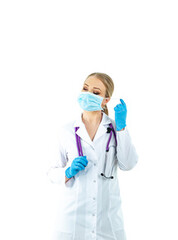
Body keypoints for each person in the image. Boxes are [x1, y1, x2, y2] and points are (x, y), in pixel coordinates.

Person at [48, 72, 139, 239]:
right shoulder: (66, 131)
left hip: (107, 220)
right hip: (73, 220)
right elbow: (52, 172)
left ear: (106, 100)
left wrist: (122, 128)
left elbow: (128, 164)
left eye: (95, 92)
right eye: (85, 88)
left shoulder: (115, 128)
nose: (88, 94)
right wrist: (67, 172)